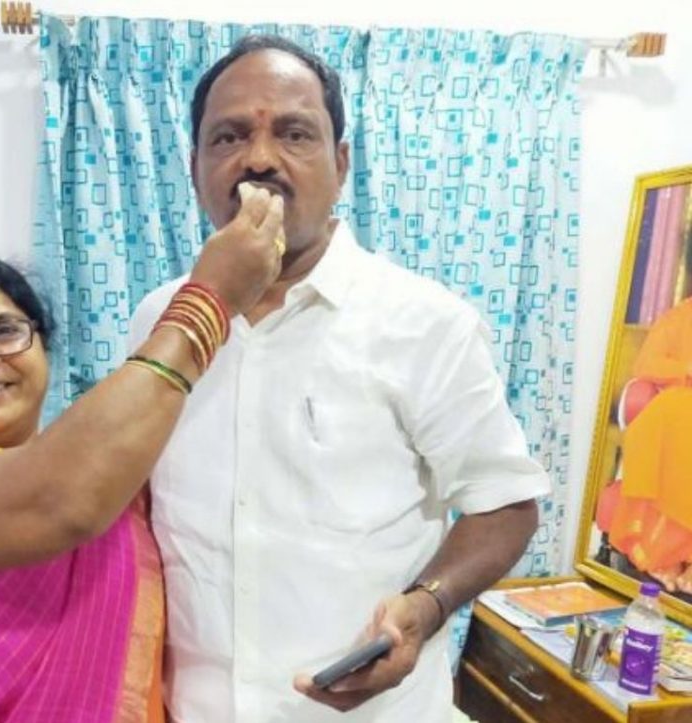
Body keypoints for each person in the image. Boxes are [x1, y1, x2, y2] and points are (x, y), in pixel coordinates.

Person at [130, 35, 550, 722]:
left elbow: (505, 504)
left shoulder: (426, 323)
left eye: (294, 133)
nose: (258, 159)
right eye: (228, 136)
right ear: (195, 167)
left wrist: (426, 605)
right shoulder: (161, 320)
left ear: (341, 164)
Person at [0, 187, 283, 723]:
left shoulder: (120, 480)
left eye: (4, 331)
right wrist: (209, 302)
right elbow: (56, 501)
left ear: (44, 348)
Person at [607, 296, 692, 594]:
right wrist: (686, 367)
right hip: (681, 403)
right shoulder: (680, 316)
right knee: (670, 416)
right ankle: (666, 555)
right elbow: (646, 363)